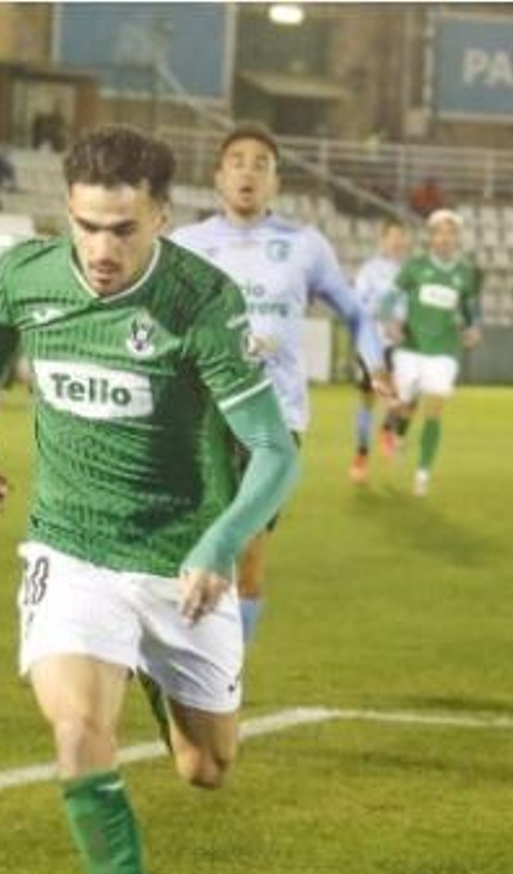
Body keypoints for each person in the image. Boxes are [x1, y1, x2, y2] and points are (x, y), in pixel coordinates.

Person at [0, 125, 300, 874]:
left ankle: (155, 672)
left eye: (123, 230)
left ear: (162, 217)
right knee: (76, 734)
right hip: (69, 548)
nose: (101, 251)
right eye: (86, 227)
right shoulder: (32, 272)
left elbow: (273, 450)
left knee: (205, 766)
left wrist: (219, 544)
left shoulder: (199, 301)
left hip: (180, 561)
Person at [171, 124, 388, 643]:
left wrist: (374, 363)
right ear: (219, 177)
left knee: (246, 555)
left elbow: (355, 312)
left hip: (274, 421)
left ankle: (228, 679)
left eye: (261, 164)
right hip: (200, 415)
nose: (248, 171)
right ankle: (173, 664)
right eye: (237, 161)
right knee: (184, 547)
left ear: (276, 182)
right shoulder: (185, 245)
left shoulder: (304, 245)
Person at [379, 209, 482, 498]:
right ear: (431, 236)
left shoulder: (465, 273)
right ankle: (398, 433)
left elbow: (471, 308)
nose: (445, 238)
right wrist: (389, 321)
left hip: (444, 351)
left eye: (450, 233)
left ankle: (422, 474)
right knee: (404, 404)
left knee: (434, 410)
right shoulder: (414, 267)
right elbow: (389, 298)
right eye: (439, 232)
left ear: (457, 238)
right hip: (410, 348)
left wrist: (475, 329)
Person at [349, 217, 409, 482]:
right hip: (372, 345)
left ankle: (388, 428)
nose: (397, 241)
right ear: (383, 240)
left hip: (400, 345)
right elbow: (359, 306)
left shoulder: (411, 272)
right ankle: (361, 454)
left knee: (404, 392)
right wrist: (386, 319)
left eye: (401, 236)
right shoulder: (369, 271)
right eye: (392, 236)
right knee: (367, 403)